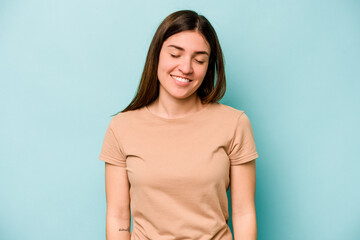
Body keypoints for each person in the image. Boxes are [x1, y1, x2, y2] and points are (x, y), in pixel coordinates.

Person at [99, 9, 259, 240]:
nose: (186, 68)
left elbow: (244, 213)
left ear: (209, 66)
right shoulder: (121, 127)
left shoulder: (234, 123)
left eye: (199, 59)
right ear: (156, 55)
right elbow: (118, 216)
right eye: (175, 55)